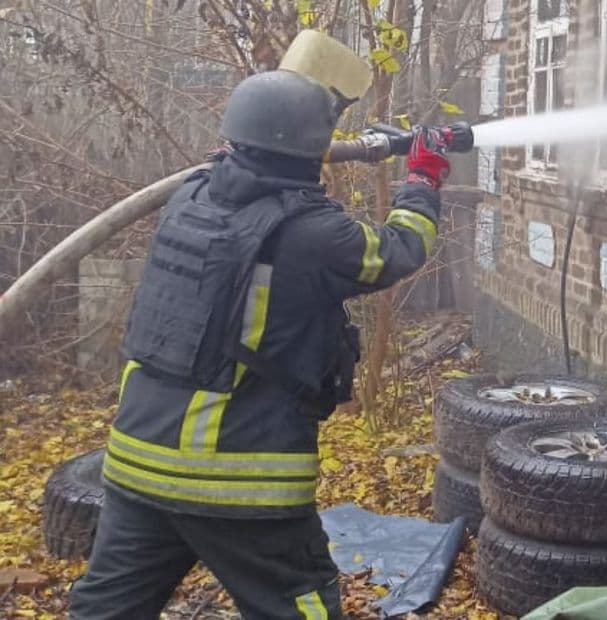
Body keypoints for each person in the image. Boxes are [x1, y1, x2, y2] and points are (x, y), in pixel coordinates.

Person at [68, 31, 449, 619]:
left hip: (135, 461)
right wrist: (422, 180)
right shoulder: (312, 234)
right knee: (300, 607)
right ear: (309, 151)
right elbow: (397, 249)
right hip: (237, 477)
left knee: (106, 609)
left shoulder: (190, 197)